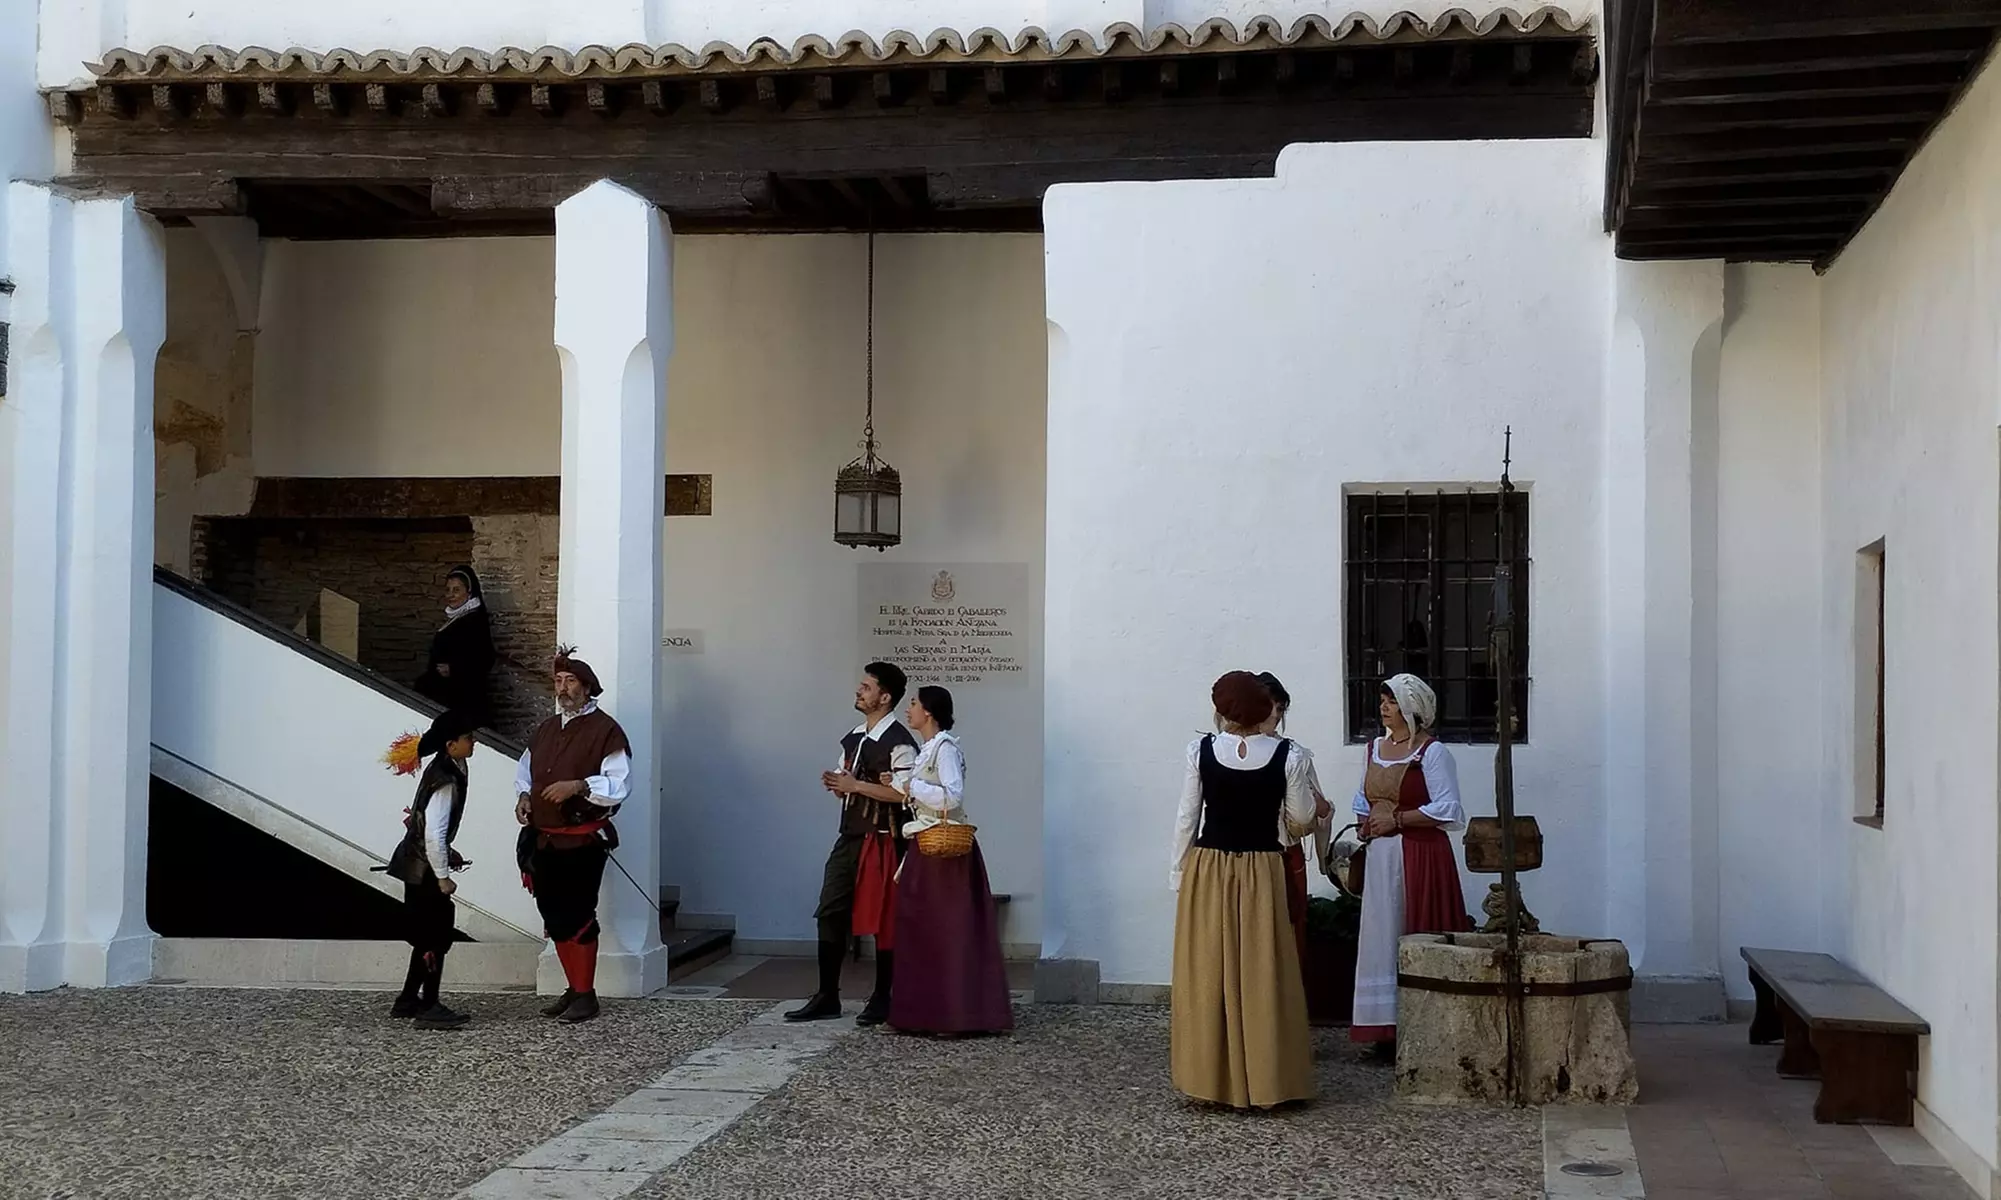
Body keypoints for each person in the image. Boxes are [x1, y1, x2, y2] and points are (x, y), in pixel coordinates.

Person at [1169, 671, 1317, 1109]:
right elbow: (1301, 818)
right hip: (1262, 868)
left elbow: (1186, 818)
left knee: (1209, 970)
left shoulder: (1201, 751)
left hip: (1210, 866)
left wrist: (1179, 875)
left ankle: (1211, 1080)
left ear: (1221, 710)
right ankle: (1267, 1081)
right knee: (1263, 970)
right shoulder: (1288, 755)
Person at [787, 662, 917, 1026]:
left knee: (884, 918)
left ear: (885, 697)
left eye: (866, 687)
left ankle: (883, 996)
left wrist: (855, 787)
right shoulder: (854, 737)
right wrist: (840, 783)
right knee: (830, 911)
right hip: (850, 837)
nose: (859, 691)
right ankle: (827, 994)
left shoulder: (900, 742)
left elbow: (904, 794)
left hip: (883, 839)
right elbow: (850, 784)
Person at [1349, 673, 1471, 1051]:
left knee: (1415, 926)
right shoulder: (1374, 749)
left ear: (1411, 708)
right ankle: (1384, 1026)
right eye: (1383, 701)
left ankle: (1425, 1024)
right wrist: (1365, 826)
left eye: (1391, 702)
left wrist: (1398, 819)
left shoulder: (1431, 752)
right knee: (1381, 932)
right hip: (1381, 856)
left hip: (1420, 853)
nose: (1384, 708)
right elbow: (1361, 799)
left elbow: (1449, 807)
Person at [514, 646, 631, 1024]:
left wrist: (579, 785)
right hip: (543, 837)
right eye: (559, 681)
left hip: (581, 841)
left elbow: (619, 784)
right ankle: (574, 987)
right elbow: (525, 771)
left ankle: (586, 995)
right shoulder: (547, 728)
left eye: (571, 682)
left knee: (578, 914)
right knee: (553, 913)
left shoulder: (605, 730)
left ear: (587, 687)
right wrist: (523, 797)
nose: (563, 688)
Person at [887, 686, 1013, 1036]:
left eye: (913, 703)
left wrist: (912, 788)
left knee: (949, 930)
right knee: (921, 928)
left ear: (928, 711)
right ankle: (921, 1013)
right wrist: (902, 785)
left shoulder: (945, 748)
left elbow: (953, 796)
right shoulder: (928, 749)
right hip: (925, 844)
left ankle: (955, 1015)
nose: (908, 709)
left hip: (945, 851)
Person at [380, 708, 479, 1029]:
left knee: (427, 936)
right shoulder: (445, 779)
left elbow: (430, 830)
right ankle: (429, 1005)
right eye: (468, 738)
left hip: (417, 864)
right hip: (424, 870)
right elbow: (434, 834)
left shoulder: (448, 767)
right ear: (451, 745)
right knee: (435, 936)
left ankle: (408, 1000)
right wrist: (443, 877)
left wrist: (446, 853)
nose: (473, 741)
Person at [1254, 672, 1335, 969]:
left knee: (1289, 930)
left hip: (1288, 853)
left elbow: (1312, 812)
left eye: (1281, 707)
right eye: (1270, 705)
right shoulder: (1225, 751)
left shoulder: (1295, 754)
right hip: (1252, 856)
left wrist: (1319, 810)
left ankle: (1288, 1008)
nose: (1276, 714)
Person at [414, 565, 495, 726]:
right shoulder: (458, 618)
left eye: (456, 590)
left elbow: (485, 657)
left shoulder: (474, 621)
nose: (450, 595)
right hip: (446, 694)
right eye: (448, 590)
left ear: (469, 591)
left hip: (463, 697)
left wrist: (454, 669)